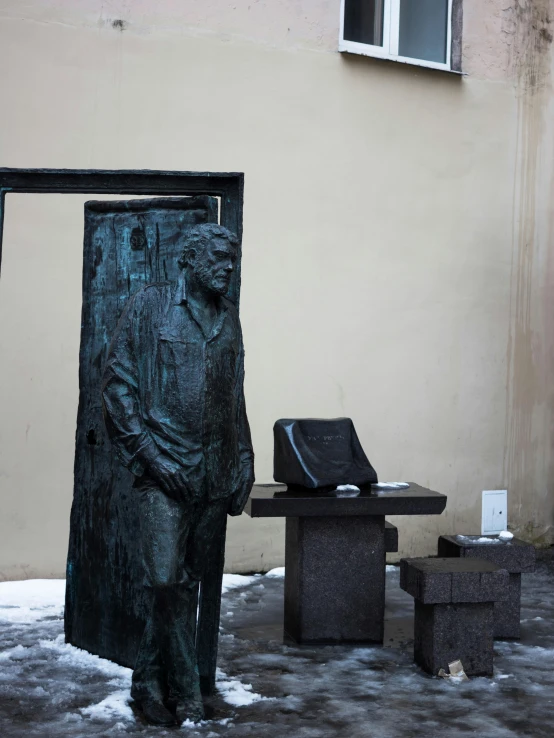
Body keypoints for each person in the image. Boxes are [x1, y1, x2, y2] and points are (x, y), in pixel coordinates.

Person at [101, 223, 254, 726]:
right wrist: (152, 457)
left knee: (187, 585)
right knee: (165, 581)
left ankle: (147, 684)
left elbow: (236, 399)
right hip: (162, 469)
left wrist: (246, 461)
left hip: (215, 473)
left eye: (232, 258)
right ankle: (188, 691)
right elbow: (118, 387)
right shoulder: (150, 307)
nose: (228, 267)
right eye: (218, 257)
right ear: (189, 260)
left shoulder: (228, 319)